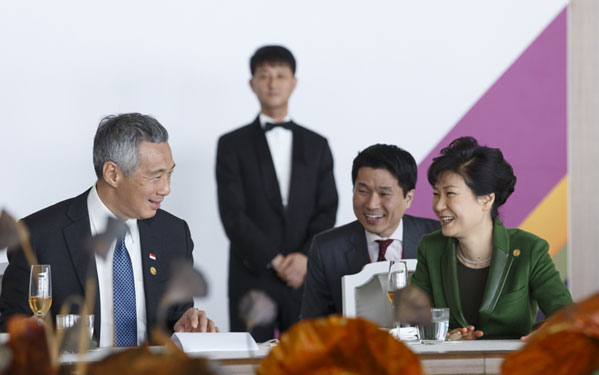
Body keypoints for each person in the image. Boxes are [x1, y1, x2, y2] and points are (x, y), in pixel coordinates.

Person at [0, 113, 217, 345]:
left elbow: (177, 313)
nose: (166, 189)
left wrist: (185, 322)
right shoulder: (39, 235)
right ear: (112, 174)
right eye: (156, 176)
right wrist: (33, 333)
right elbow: (9, 323)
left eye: (170, 174)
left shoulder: (174, 233)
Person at [216, 45, 338, 340]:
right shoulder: (231, 144)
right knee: (248, 365)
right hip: (252, 274)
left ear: (293, 82)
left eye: (281, 75)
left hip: (305, 275)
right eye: (264, 76)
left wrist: (304, 258)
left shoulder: (318, 144)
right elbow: (233, 214)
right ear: (252, 83)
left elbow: (327, 207)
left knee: (308, 364)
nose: (272, 84)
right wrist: (275, 260)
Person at [410, 136, 572, 340]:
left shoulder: (529, 249)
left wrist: (543, 333)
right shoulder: (431, 248)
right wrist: (448, 336)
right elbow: (413, 320)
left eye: (450, 194)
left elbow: (566, 314)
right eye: (436, 194)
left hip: (513, 365)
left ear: (486, 200)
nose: (439, 206)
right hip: (448, 366)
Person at [301, 144, 440, 319]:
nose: (372, 204)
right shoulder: (326, 249)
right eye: (363, 191)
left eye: (384, 194)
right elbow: (312, 324)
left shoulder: (437, 238)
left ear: (408, 198)